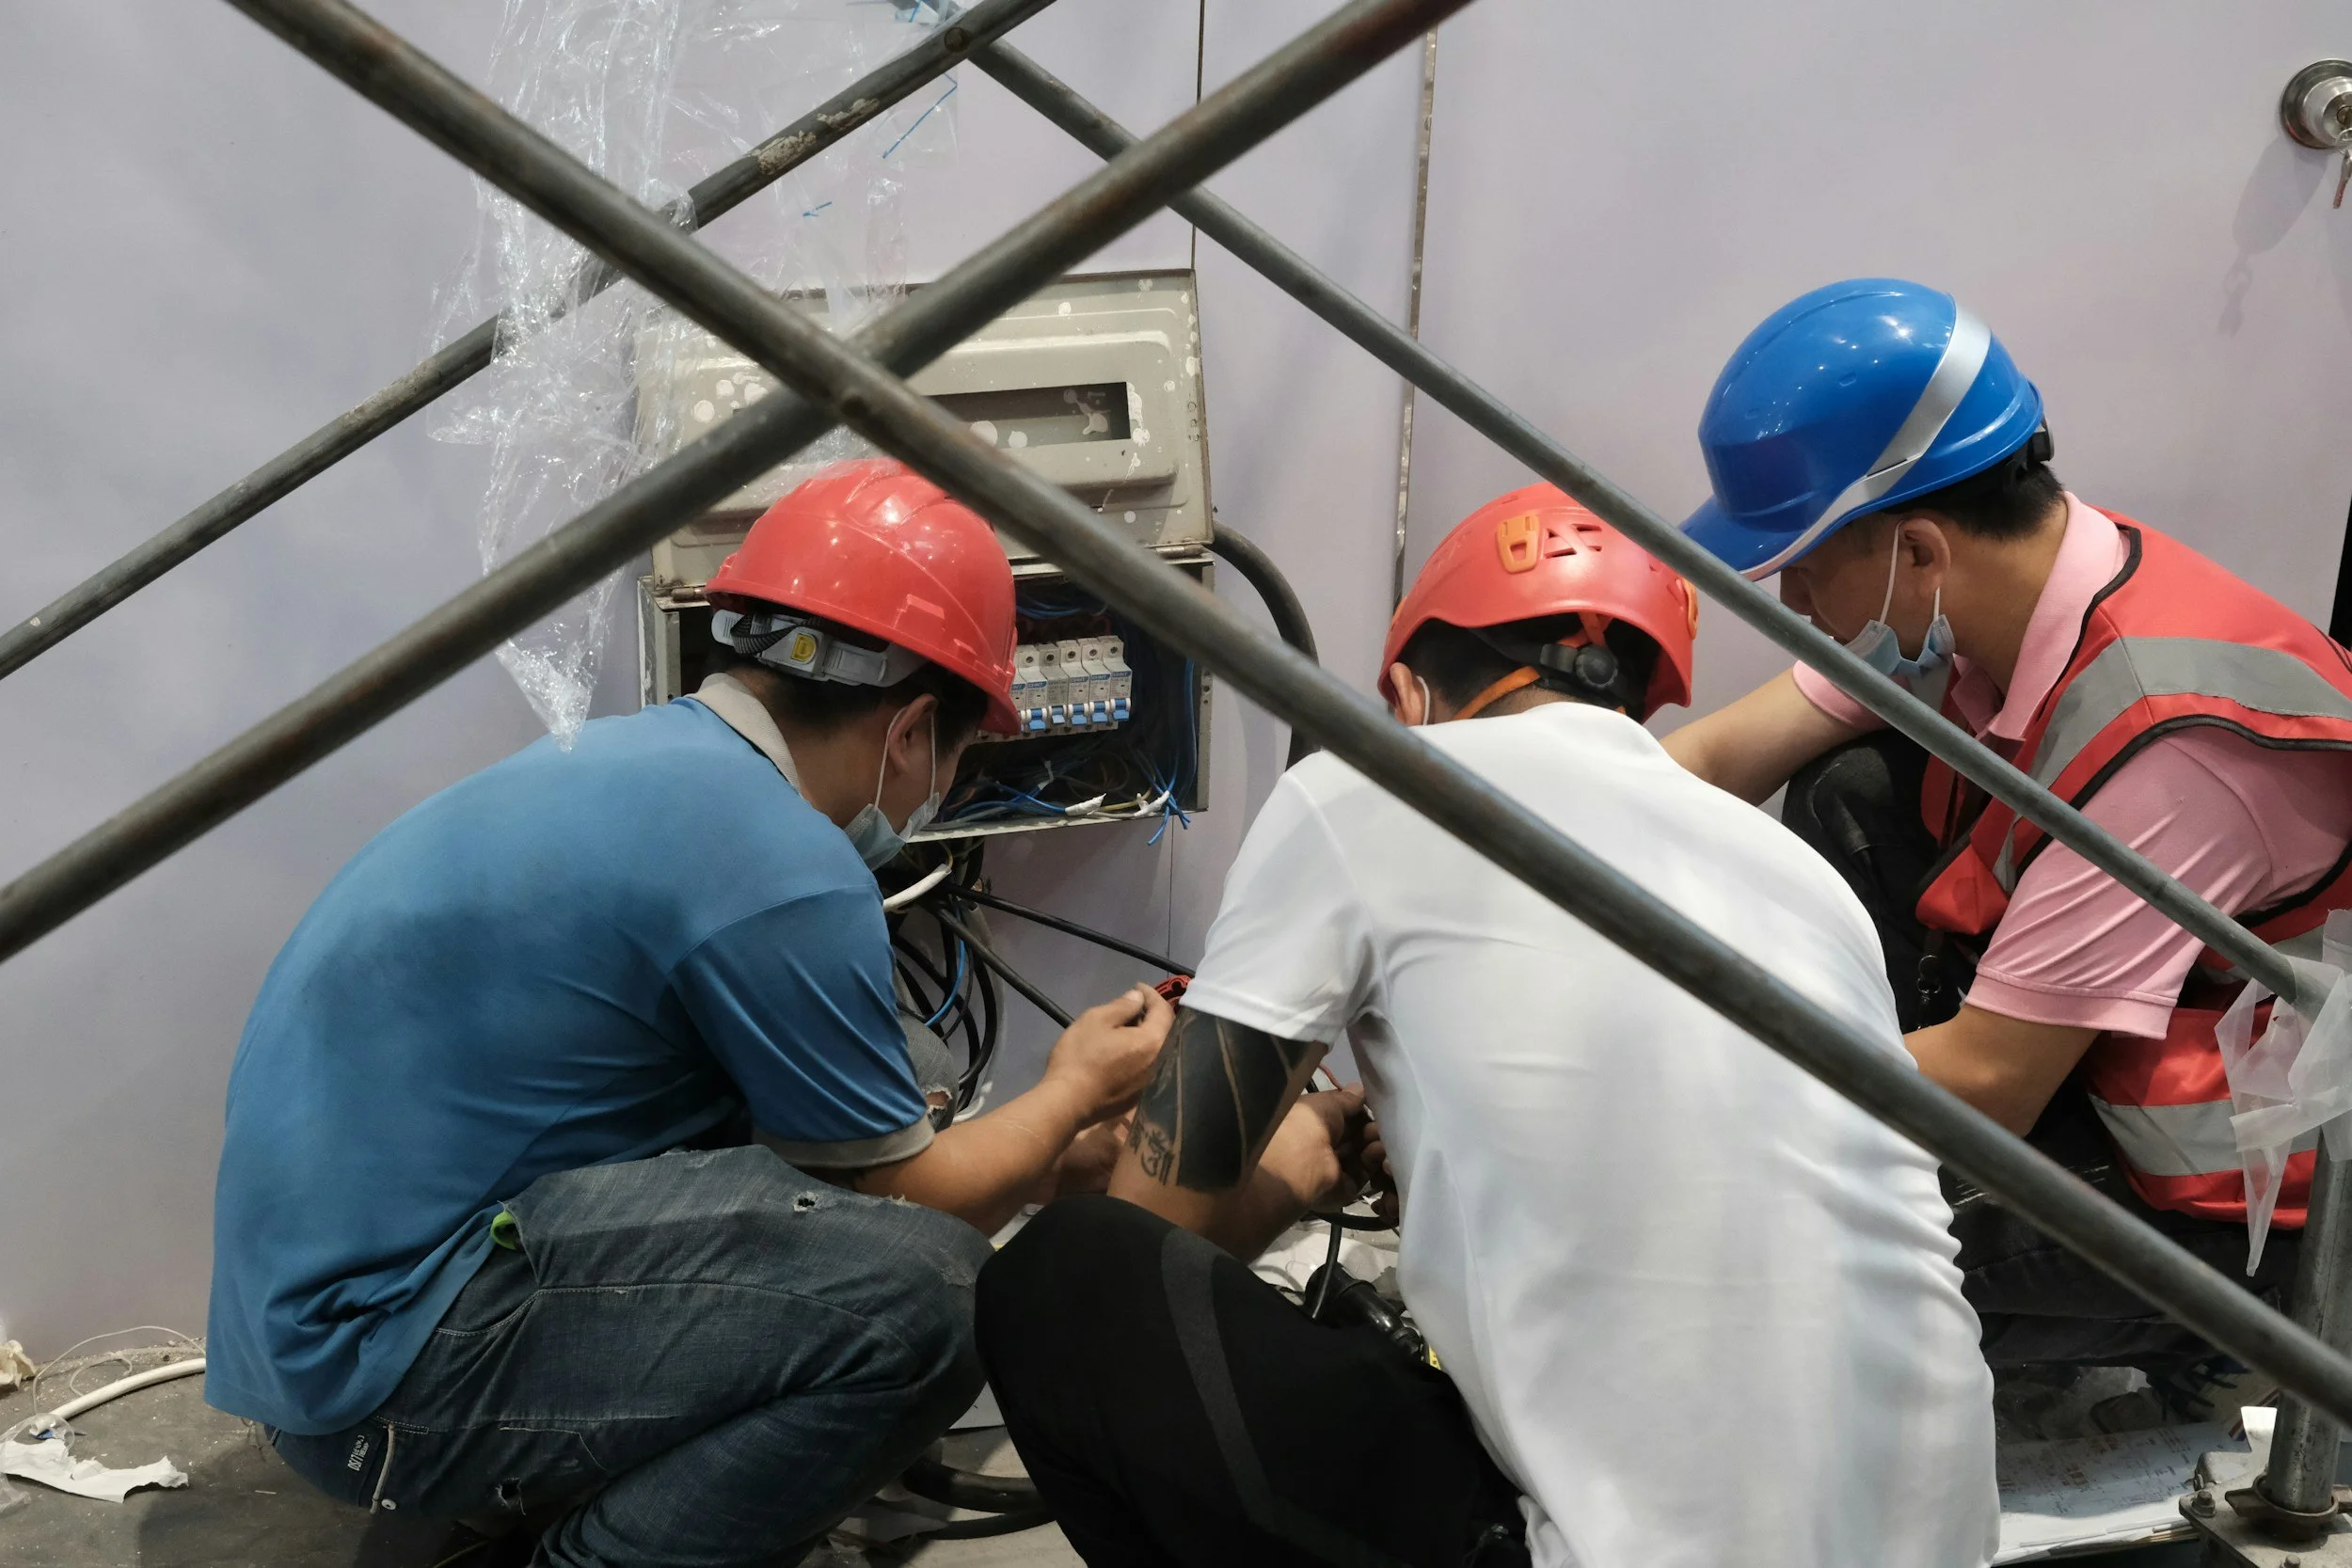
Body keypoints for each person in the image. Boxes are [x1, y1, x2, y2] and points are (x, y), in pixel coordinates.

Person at [977, 486, 1999, 1568]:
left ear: (1409, 692)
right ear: (1642, 696)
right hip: (1939, 1530)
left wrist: (1302, 1165)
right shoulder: (1802, 878)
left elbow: (1157, 1220)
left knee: (1071, 1276)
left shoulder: (1366, 791)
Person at [205, 458, 1172, 1568]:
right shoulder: (783, 861)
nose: (931, 798)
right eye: (951, 760)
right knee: (923, 1306)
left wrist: (1042, 1157)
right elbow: (909, 1201)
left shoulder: (634, 760)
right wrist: (1072, 1094)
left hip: (309, 1327)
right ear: (910, 730)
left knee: (899, 1065)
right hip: (375, 1377)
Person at [1664, 277, 2352, 1388]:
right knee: (1851, 786)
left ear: (1919, 549)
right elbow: (1706, 764)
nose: (1790, 595)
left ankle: (2216, 1347)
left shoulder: (2165, 748)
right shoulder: (2003, 591)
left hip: (2247, 1190)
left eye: (1805, 554)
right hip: (2106, 1038)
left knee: (1804, 1237)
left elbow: (1990, 1080)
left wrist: (1675, 1095)